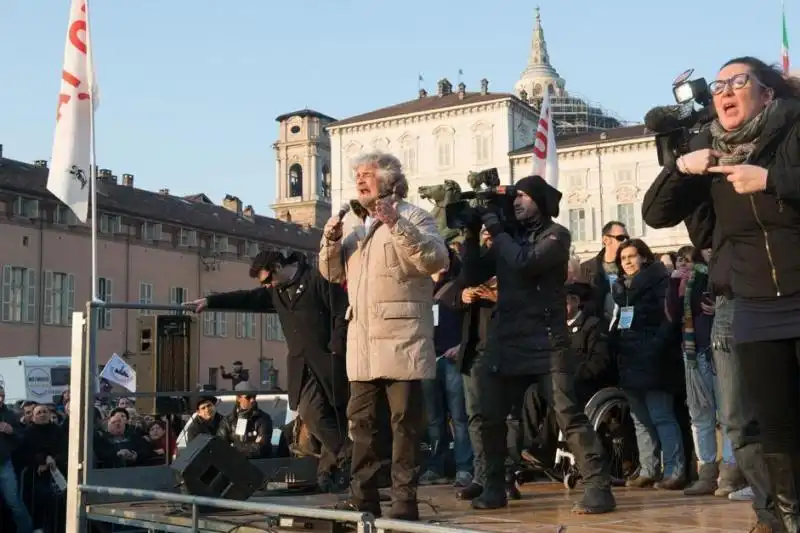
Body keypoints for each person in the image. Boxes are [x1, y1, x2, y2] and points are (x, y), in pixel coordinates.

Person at [642, 56, 800, 531]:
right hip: (752, 303)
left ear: (767, 93)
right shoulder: (711, 150)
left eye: (738, 81)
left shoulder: (793, 133)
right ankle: (782, 518)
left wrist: (771, 180)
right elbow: (655, 214)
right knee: (769, 425)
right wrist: (679, 166)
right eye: (718, 86)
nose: (725, 92)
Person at [461, 174, 615, 513]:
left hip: (546, 342)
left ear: (541, 202)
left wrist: (496, 230)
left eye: (524, 196)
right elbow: (471, 274)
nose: (516, 201)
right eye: (513, 196)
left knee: (567, 414)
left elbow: (524, 263)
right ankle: (495, 486)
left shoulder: (557, 236)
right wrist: (472, 234)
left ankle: (599, 488)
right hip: (507, 340)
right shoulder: (509, 237)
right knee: (491, 417)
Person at [320, 151, 449, 520]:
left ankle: (405, 504)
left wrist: (397, 225)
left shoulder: (414, 215)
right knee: (360, 425)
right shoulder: (355, 227)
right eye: (357, 175)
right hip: (362, 343)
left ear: (389, 181)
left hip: (403, 339)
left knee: (404, 426)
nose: (360, 180)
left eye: (367, 174)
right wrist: (330, 242)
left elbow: (435, 260)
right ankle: (364, 502)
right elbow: (331, 274)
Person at [188, 251, 349, 491]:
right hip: (300, 366)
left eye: (267, 279)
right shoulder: (276, 291)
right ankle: (348, 460)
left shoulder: (317, 279)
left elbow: (341, 312)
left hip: (326, 361)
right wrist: (211, 302)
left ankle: (344, 463)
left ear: (277, 266)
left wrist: (336, 346)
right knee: (313, 414)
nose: (267, 285)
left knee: (324, 415)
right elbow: (247, 298)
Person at [579, 221, 630, 326]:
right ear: (605, 240)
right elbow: (581, 304)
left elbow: (630, 304)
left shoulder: (629, 269)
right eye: (620, 238)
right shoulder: (586, 269)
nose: (625, 242)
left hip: (622, 331)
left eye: (627, 238)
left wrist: (625, 326)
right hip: (596, 332)